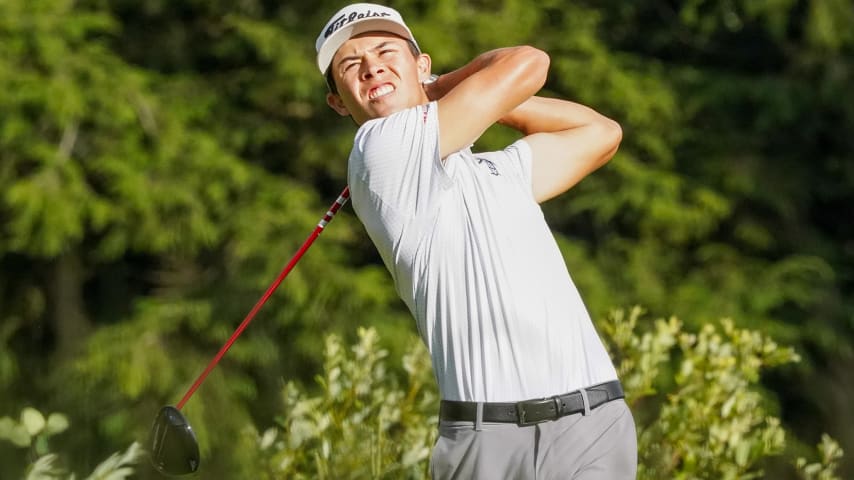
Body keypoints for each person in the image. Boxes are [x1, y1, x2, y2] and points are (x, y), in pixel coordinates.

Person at [316, 3, 637, 478]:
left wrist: (442, 89)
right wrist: (444, 88)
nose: (371, 67)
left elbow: (600, 133)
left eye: (386, 51)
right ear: (340, 103)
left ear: (421, 65)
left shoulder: (496, 172)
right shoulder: (380, 149)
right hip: (489, 439)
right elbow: (530, 64)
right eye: (350, 64)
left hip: (593, 421)